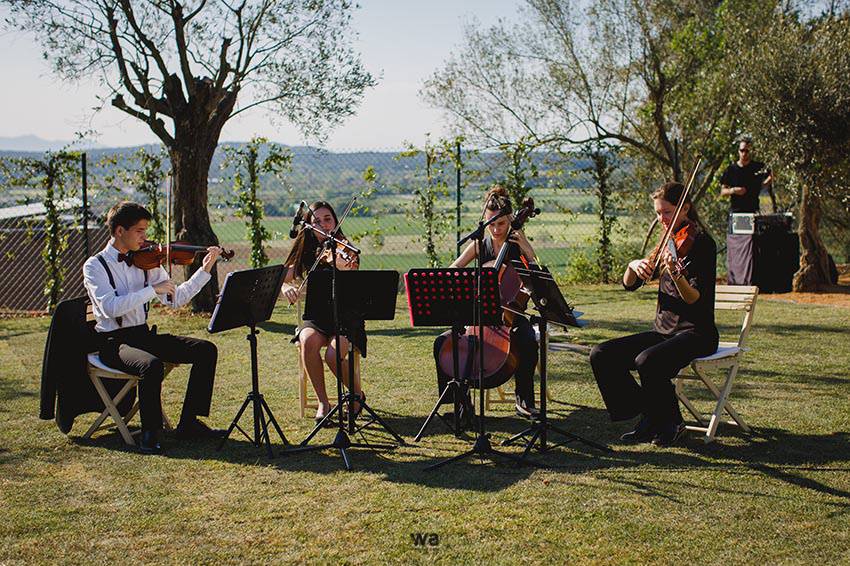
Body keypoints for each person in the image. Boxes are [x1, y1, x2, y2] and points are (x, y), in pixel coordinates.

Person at [82, 201, 224, 454]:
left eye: (145, 231)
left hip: (142, 335)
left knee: (205, 350)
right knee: (151, 365)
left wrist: (204, 271)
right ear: (119, 231)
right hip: (112, 342)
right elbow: (109, 308)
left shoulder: (146, 261)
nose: (145, 238)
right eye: (139, 231)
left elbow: (176, 298)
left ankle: (189, 423)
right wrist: (150, 290)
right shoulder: (95, 266)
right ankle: (149, 433)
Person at [589, 181, 718, 446]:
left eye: (667, 212)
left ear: (686, 208)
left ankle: (666, 422)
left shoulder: (702, 243)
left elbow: (694, 298)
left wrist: (676, 273)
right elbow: (630, 284)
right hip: (664, 330)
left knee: (648, 360)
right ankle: (653, 414)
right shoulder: (667, 241)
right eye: (658, 213)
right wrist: (632, 265)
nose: (661, 219)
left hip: (697, 332)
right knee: (601, 354)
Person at [432, 185, 540, 420]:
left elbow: (535, 271)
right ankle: (461, 404)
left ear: (510, 220)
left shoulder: (517, 243)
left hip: (510, 313)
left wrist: (524, 244)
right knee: (442, 342)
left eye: (501, 223)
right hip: (478, 312)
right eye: (491, 224)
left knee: (528, 341)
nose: (496, 229)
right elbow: (455, 267)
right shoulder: (481, 244)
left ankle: (524, 401)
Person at [280, 201, 363, 425]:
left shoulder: (345, 249)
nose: (324, 225)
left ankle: (357, 396)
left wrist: (339, 263)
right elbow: (281, 277)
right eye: (317, 221)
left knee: (333, 356)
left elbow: (351, 269)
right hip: (317, 317)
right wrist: (286, 287)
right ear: (308, 225)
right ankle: (323, 403)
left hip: (345, 317)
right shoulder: (306, 252)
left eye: (328, 219)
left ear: (335, 222)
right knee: (307, 341)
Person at [719, 138, 776, 213]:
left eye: (747, 151)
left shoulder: (757, 167)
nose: (744, 153)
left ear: (751, 152)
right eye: (742, 150)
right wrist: (733, 190)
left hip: (753, 211)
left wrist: (762, 185)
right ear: (738, 151)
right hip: (736, 212)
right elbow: (723, 191)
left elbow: (773, 173)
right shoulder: (731, 169)